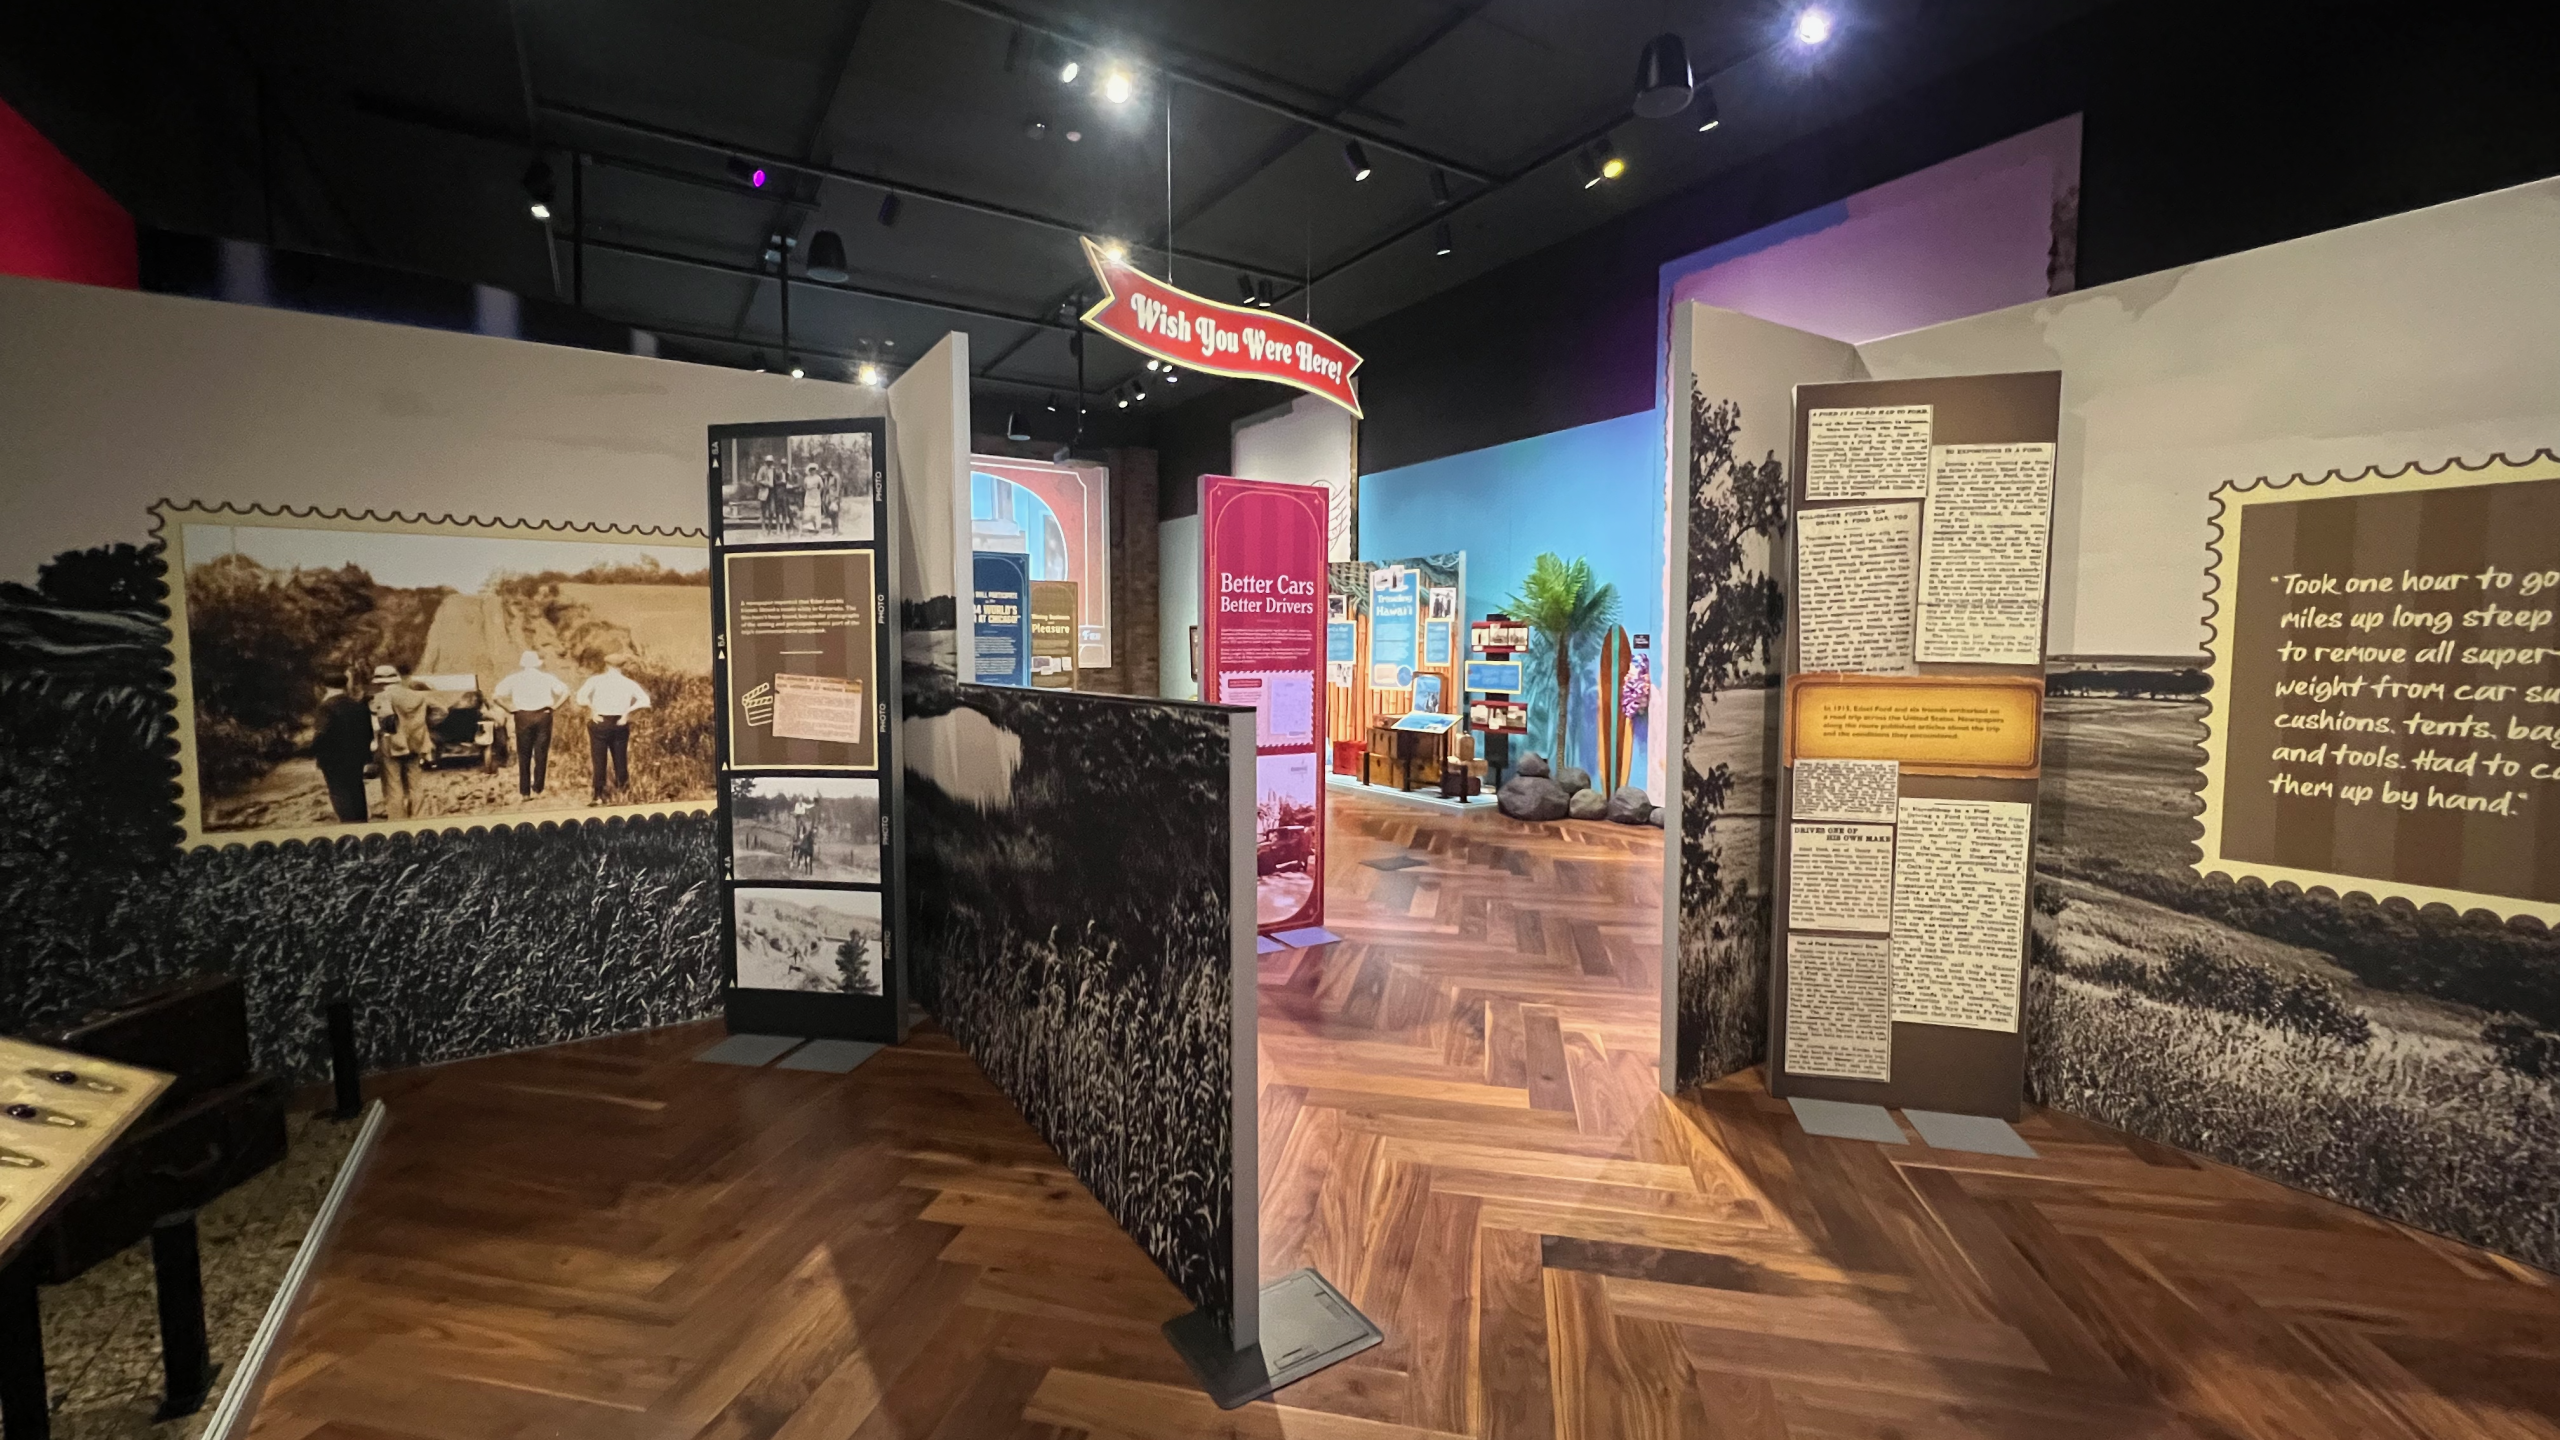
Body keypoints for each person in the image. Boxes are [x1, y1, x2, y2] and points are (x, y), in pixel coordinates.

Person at [491, 649, 569, 799]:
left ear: (523, 664)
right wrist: (555, 707)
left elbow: (495, 696)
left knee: (524, 754)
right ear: (537, 664)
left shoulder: (514, 679)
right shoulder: (547, 678)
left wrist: (510, 708)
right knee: (541, 752)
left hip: (522, 716)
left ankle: (525, 792)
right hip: (543, 716)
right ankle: (538, 788)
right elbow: (566, 692)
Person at [576, 652, 652, 803]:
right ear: (622, 666)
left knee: (599, 760)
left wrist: (593, 710)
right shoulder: (628, 683)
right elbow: (645, 700)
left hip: (600, 721)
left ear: (607, 665)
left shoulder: (596, 680)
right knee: (620, 759)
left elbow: (580, 698)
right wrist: (626, 713)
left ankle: (598, 795)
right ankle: (624, 794)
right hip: (619, 723)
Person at [369, 663, 433, 818]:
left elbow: (382, 722)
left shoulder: (381, 697)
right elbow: (442, 711)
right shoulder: (418, 696)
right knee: (416, 785)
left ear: (379, 682)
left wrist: (377, 739)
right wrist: (423, 725)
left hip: (392, 745)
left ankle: (398, 821)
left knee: (393, 786)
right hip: (416, 742)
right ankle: (419, 818)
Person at [311, 668, 376, 822]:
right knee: (357, 789)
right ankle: (361, 823)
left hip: (333, 760)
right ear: (344, 685)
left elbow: (321, 734)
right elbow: (368, 732)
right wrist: (365, 754)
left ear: (325, 687)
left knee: (339, 792)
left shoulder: (326, 707)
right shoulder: (358, 705)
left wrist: (316, 753)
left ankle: (348, 824)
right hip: (356, 757)